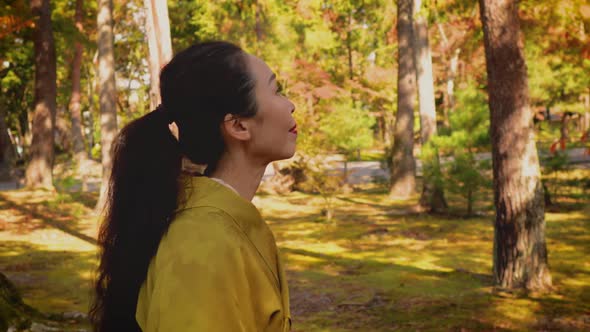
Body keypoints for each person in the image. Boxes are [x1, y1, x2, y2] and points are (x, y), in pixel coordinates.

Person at [89, 41, 296, 332]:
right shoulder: (203, 245)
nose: (290, 104)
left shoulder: (228, 222)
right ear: (238, 126)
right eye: (276, 91)